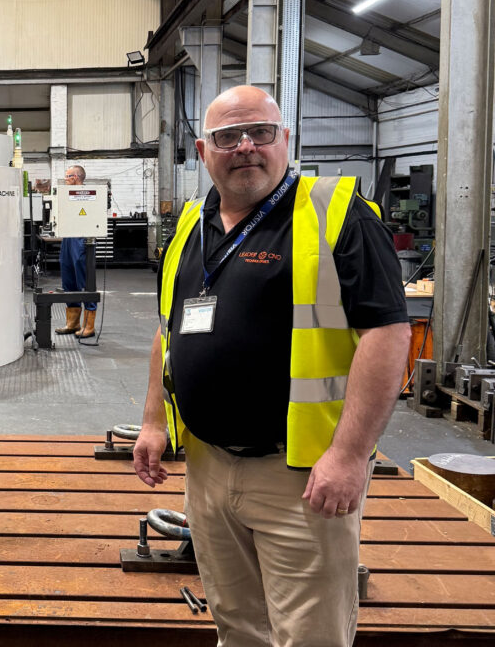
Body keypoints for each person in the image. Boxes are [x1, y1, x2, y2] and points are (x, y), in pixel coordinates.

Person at [133, 86, 410, 647]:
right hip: (208, 469)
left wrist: (351, 456)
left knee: (310, 635)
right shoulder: (192, 222)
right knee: (237, 628)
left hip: (301, 476)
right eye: (226, 137)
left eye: (260, 132)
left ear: (285, 139)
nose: (245, 147)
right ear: (202, 149)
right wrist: (154, 421)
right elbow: (168, 329)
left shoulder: (336, 213)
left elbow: (387, 333)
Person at [55, 164, 98, 339]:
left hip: (83, 239)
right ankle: (73, 323)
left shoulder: (88, 196)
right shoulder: (66, 196)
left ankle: (89, 325)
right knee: (69, 278)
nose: (66, 180)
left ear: (76, 177)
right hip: (68, 237)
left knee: (85, 280)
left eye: (68, 176)